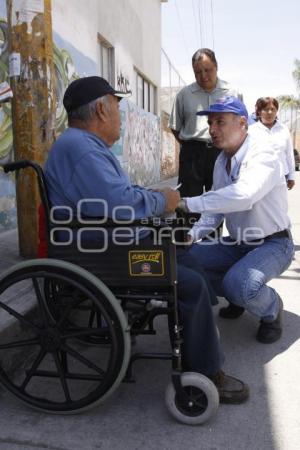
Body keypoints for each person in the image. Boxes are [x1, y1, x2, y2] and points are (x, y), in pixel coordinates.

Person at [44, 76, 249, 404]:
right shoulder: (81, 148)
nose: (119, 117)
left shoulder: (83, 146)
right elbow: (119, 205)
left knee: (186, 256)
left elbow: (115, 196)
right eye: (116, 107)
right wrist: (161, 201)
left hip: (106, 239)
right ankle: (206, 371)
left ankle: (201, 336)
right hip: (103, 250)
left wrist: (149, 196)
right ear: (100, 109)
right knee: (191, 282)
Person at [178, 96, 294, 344]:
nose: (212, 129)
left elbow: (244, 196)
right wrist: (192, 235)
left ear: (242, 123)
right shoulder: (222, 161)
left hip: (273, 244)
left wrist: (187, 203)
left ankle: (272, 309)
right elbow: (217, 211)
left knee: (240, 284)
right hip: (239, 243)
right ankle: (237, 293)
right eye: (210, 123)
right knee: (187, 262)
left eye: (220, 122)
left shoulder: (264, 153)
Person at [169, 48, 241, 201]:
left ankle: (214, 226)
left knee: (219, 199)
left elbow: (240, 125)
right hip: (191, 154)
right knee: (188, 201)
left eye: (207, 70)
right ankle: (189, 225)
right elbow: (175, 127)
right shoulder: (184, 95)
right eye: (197, 72)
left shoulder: (232, 93)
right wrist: (191, 144)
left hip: (222, 152)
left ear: (216, 67)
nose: (203, 76)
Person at [249, 96, 295, 190]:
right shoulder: (251, 131)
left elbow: (289, 154)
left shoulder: (283, 129)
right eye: (266, 109)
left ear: (276, 111)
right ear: (259, 112)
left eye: (273, 109)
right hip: (259, 177)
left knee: (280, 203)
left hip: (282, 176)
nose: (270, 112)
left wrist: (291, 176)